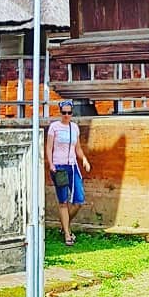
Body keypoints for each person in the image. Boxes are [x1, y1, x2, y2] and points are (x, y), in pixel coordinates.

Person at [45, 100, 91, 245]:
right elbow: (49, 147)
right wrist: (51, 164)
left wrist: (84, 159)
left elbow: (78, 148)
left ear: (72, 113)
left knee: (79, 200)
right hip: (59, 167)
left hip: (72, 166)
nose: (66, 115)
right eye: (64, 113)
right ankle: (67, 233)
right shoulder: (54, 127)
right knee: (63, 201)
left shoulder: (74, 128)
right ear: (60, 113)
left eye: (69, 113)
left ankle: (64, 224)